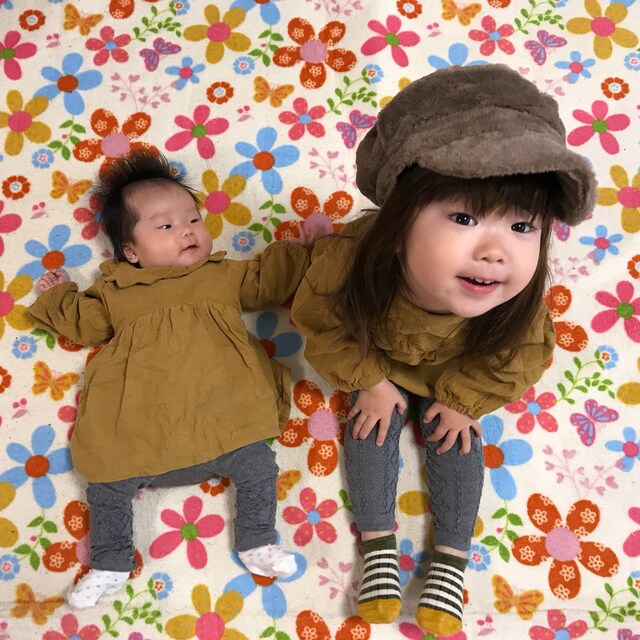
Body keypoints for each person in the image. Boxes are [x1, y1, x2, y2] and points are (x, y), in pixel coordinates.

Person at [290, 64, 596, 636]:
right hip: (379, 360)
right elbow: (322, 321)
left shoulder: (517, 304)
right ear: (399, 221)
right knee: (369, 427)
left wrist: (462, 401)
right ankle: (378, 549)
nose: (495, 252)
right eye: (463, 217)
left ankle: (450, 563)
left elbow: (518, 357)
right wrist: (371, 381)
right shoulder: (351, 263)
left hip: (457, 372)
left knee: (458, 441)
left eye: (523, 228)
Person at [30, 151, 312, 609]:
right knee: (106, 481)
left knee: (259, 464)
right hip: (143, 428)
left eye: (193, 219)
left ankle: (257, 538)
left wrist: (297, 251)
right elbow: (85, 323)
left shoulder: (221, 274)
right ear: (131, 252)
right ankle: (110, 561)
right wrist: (60, 295)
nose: (187, 231)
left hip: (222, 419)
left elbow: (266, 281)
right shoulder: (118, 291)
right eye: (166, 225)